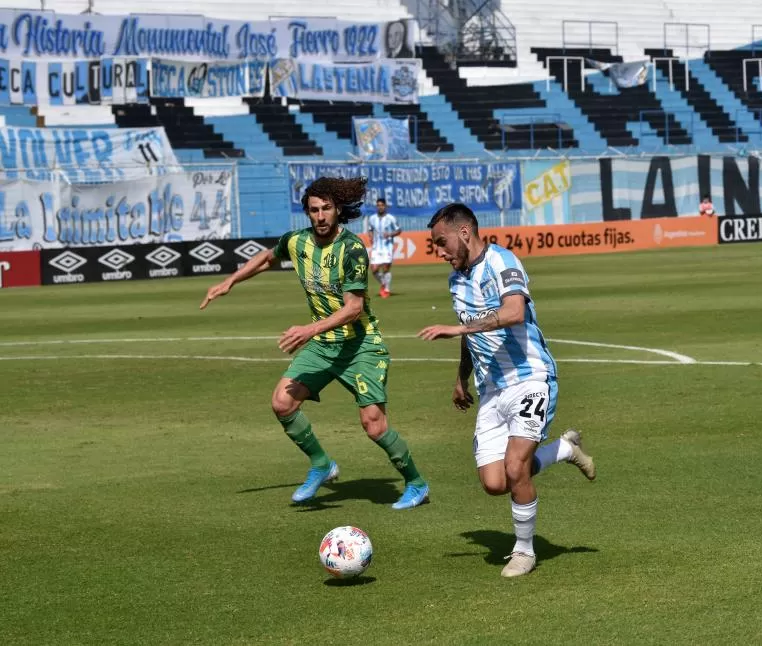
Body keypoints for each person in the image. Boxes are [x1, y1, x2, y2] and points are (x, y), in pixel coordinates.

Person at [200, 176, 429, 510]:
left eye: (326, 209)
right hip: (323, 346)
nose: (320, 216)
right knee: (282, 403)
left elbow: (354, 309)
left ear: (338, 210)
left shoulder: (351, 249)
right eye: (313, 210)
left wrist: (309, 330)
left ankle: (416, 483)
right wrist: (229, 282)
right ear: (307, 213)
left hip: (360, 345)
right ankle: (322, 464)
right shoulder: (296, 242)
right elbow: (266, 258)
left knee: (373, 424)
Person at [418, 202, 595, 578]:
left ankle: (525, 552)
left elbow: (514, 312)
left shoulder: (502, 261)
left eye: (441, 241)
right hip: (492, 390)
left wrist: (458, 330)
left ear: (464, 232)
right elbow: (471, 333)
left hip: (531, 378)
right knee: (496, 483)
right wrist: (460, 378)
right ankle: (565, 448)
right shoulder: (456, 281)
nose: (439, 251)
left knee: (516, 467)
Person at [366, 197, 401, 298]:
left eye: (382, 205)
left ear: (385, 206)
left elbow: (398, 230)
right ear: (376, 206)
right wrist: (371, 236)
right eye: (378, 205)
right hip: (376, 247)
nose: (380, 207)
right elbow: (370, 229)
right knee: (374, 269)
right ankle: (384, 283)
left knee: (386, 268)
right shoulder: (372, 218)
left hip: (387, 247)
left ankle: (386, 290)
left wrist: (390, 234)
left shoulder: (391, 218)